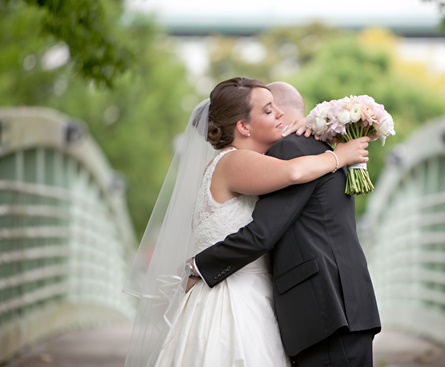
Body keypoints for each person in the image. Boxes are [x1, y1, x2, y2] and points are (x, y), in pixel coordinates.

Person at [123, 77, 370, 367]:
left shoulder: (242, 163)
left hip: (238, 292)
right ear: (243, 126)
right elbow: (292, 174)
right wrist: (339, 156)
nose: (278, 115)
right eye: (268, 110)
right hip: (233, 301)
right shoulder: (235, 161)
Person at [192, 81, 382, 366]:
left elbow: (262, 234)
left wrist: (199, 266)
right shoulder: (318, 148)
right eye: (267, 111)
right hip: (342, 304)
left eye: (272, 109)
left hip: (324, 309)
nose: (275, 116)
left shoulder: (292, 149)